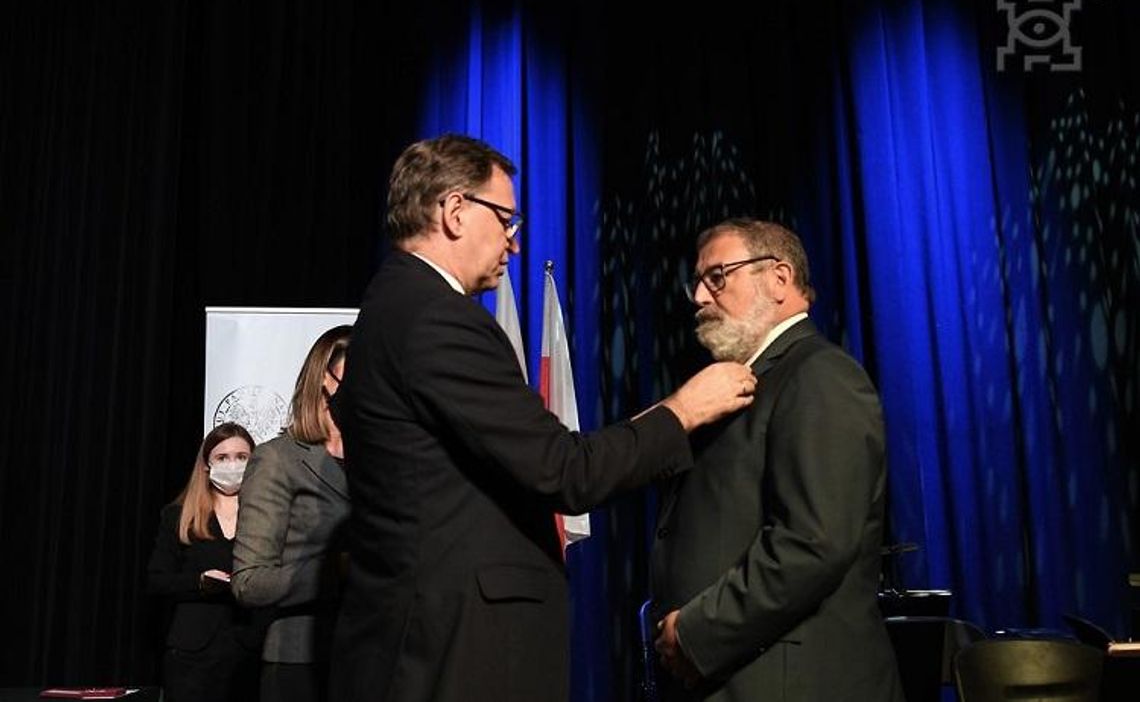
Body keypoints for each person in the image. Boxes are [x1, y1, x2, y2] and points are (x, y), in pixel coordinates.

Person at [328, 133, 756, 702]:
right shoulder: (438, 318)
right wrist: (683, 411)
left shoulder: (392, 305)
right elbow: (564, 473)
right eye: (507, 219)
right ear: (455, 211)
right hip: (455, 652)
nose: (514, 244)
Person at [650, 219, 904, 701]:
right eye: (698, 283)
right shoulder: (744, 383)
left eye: (718, 276)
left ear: (780, 278)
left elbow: (811, 544)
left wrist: (696, 632)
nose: (701, 298)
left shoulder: (821, 376)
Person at [231, 325, 352, 702]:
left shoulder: (384, 463)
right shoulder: (278, 459)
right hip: (300, 663)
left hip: (376, 657)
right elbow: (249, 582)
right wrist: (335, 571)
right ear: (324, 383)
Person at [147, 422, 262, 702]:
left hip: (252, 650)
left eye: (242, 457)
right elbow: (157, 579)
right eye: (222, 457)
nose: (233, 465)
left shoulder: (267, 516)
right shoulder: (178, 516)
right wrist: (199, 582)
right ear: (207, 465)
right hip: (193, 655)